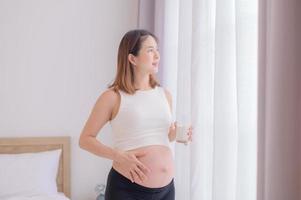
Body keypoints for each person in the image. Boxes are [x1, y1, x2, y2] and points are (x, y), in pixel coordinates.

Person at [79, 29, 193, 200]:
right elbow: (85, 139)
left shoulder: (165, 94)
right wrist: (118, 156)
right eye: (150, 50)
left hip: (166, 190)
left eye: (157, 49)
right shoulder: (113, 96)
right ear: (132, 58)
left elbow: (160, 137)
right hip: (127, 190)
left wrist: (175, 134)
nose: (157, 55)